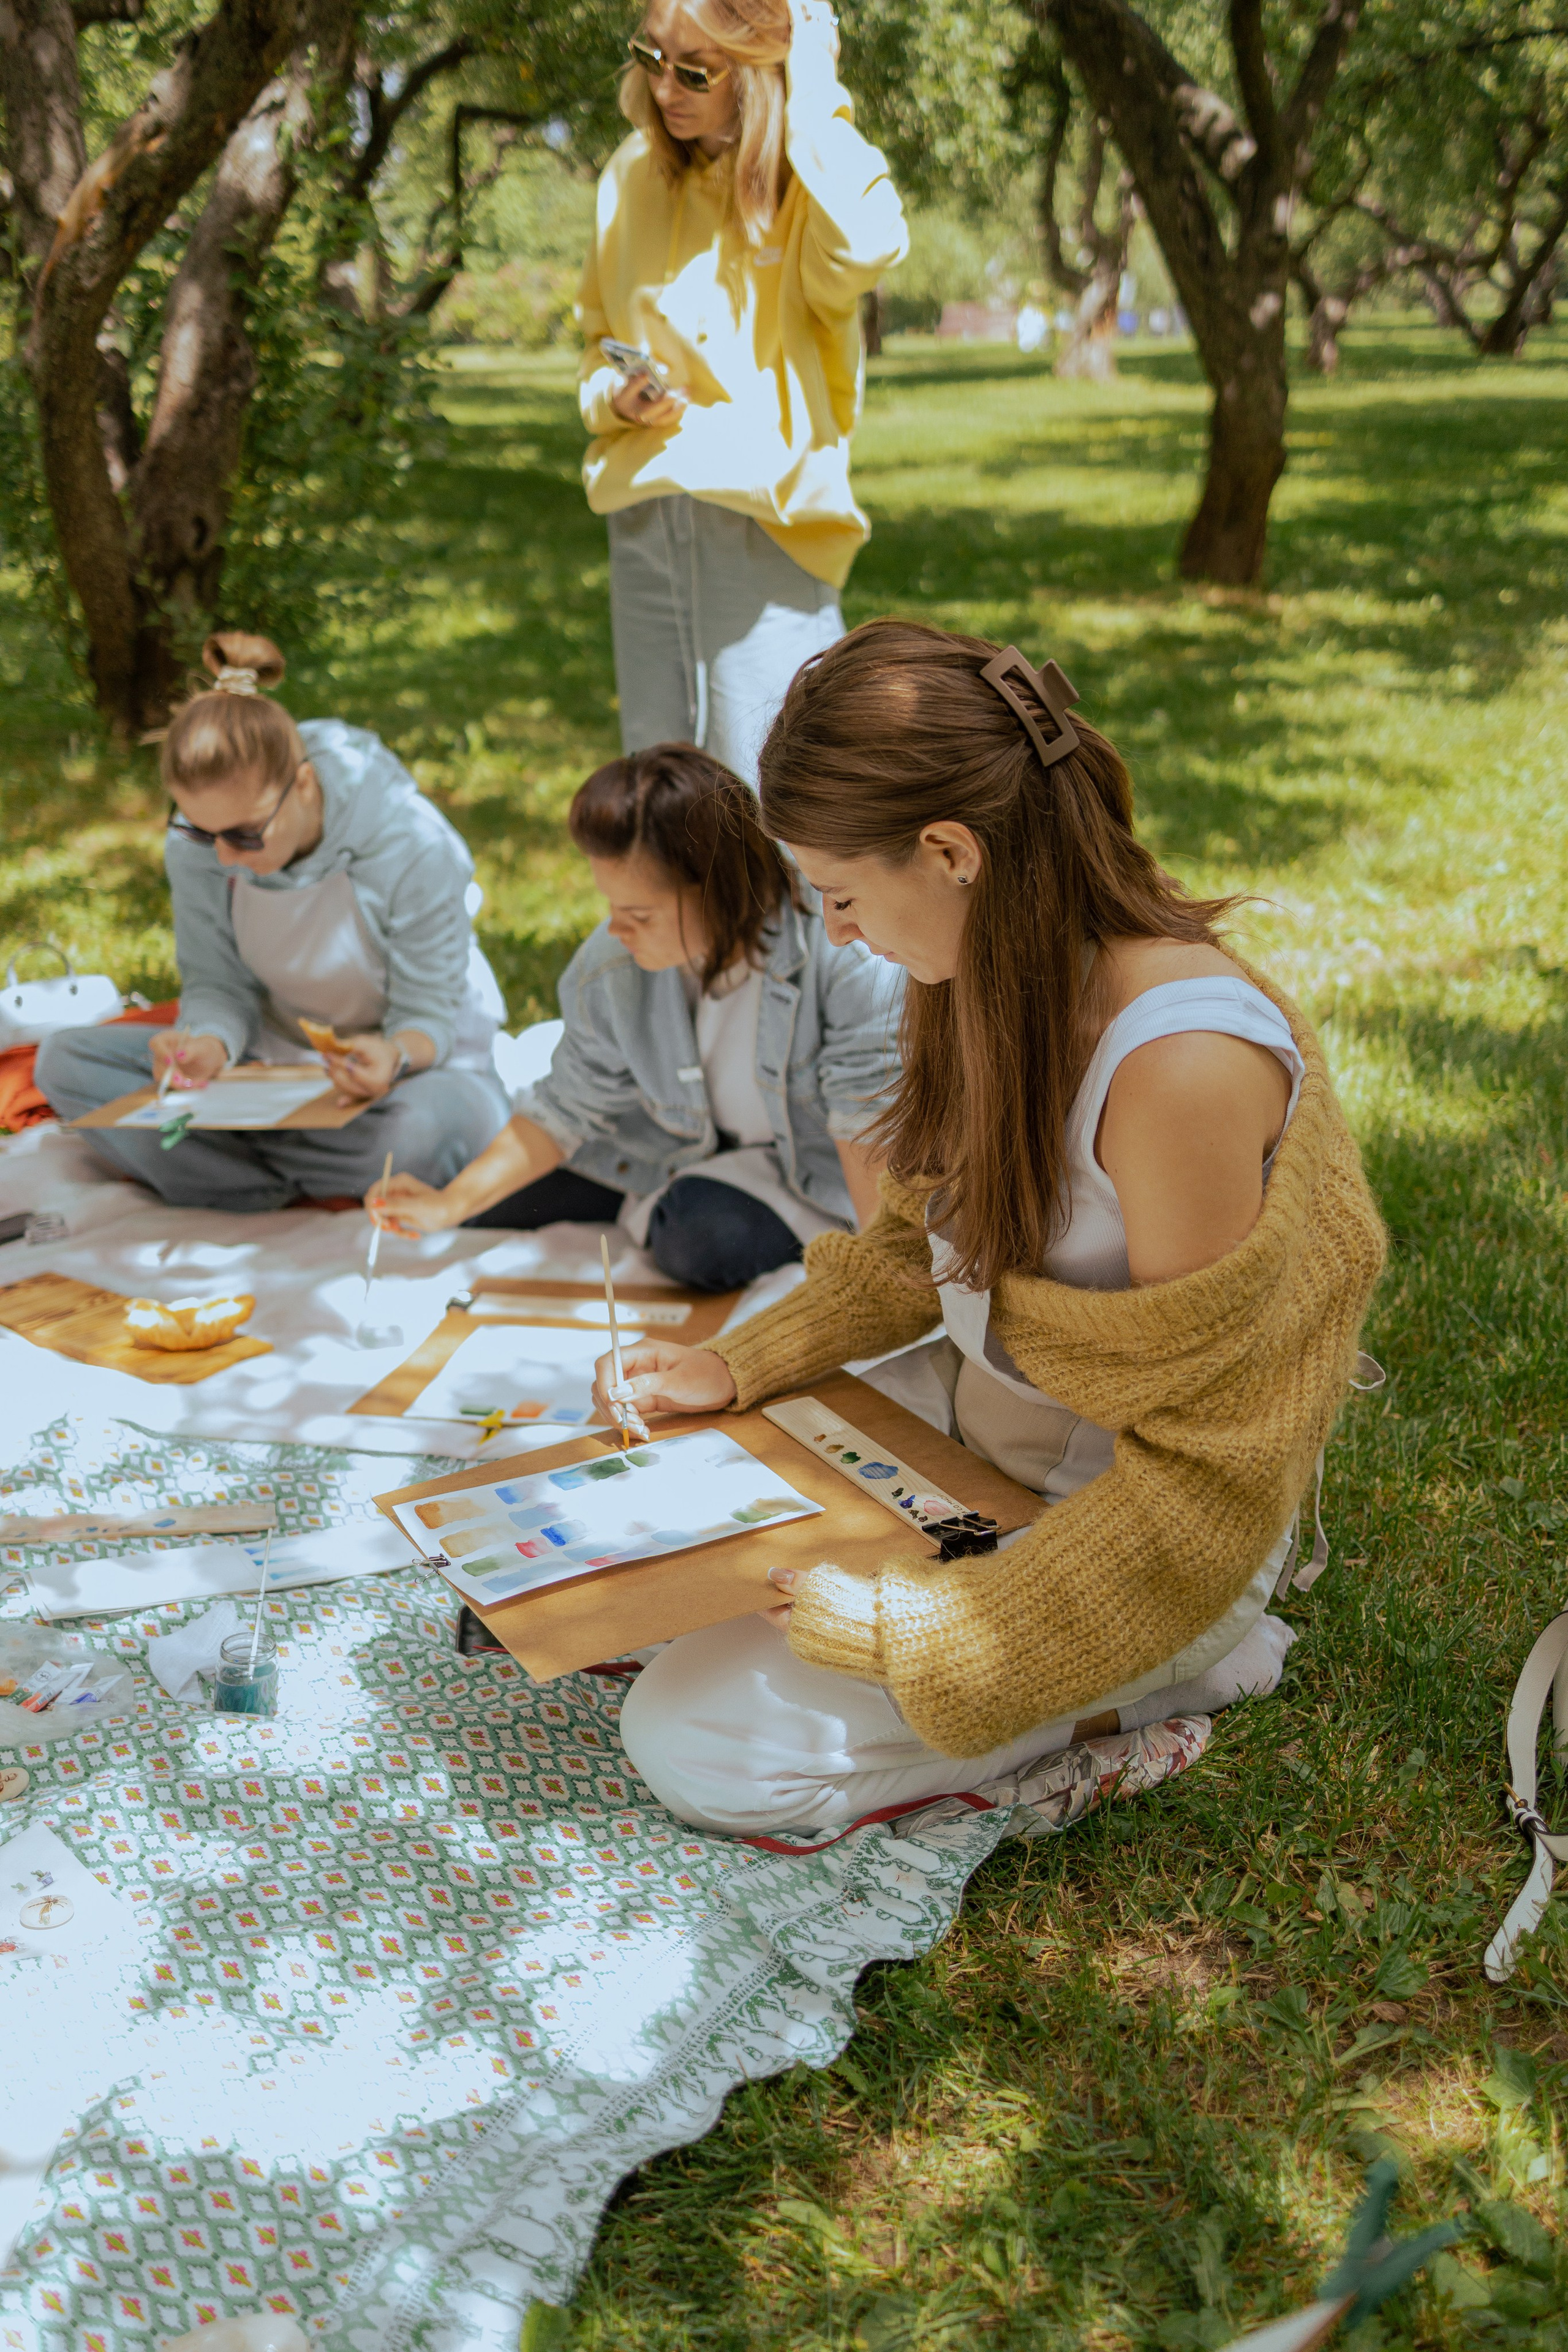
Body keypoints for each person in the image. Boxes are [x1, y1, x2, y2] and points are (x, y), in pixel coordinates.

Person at [591, 622, 1387, 1835]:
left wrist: (931, 1639)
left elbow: (1198, 1480)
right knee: (640, 1544)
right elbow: (917, 1249)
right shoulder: (980, 969)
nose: (838, 931)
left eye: (844, 895)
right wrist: (729, 1364)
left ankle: (1173, 1684)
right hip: (976, 1433)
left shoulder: (1178, 1069)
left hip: (1135, 1537)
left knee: (693, 1740)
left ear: (950, 850)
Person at [369, 743, 902, 1292]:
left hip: (803, 1173)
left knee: (700, 1240)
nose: (616, 931)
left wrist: (884, 1275)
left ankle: (662, 1208)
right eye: (611, 908)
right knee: (494, 1213)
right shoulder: (611, 966)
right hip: (664, 1146)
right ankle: (651, 1199)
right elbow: (568, 1106)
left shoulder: (840, 953)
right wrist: (449, 1203)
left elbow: (866, 1123)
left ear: (719, 888)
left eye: (639, 914)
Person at [37, 632, 510, 1213]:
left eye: (245, 834)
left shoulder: (413, 843)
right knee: (65, 1063)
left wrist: (391, 1058)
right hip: (274, 1069)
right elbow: (216, 984)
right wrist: (207, 1045)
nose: (226, 857)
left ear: (304, 784)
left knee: (415, 1133)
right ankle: (281, 1174)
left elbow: (428, 1019)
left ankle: (222, 1168)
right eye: (202, 833)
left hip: (412, 1071)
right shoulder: (201, 845)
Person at [578, 0, 907, 784]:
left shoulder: (806, 183)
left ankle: (794, 919)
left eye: (696, 69)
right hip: (644, 513)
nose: (666, 88)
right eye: (651, 57)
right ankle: (671, 918)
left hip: (766, 521)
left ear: (760, 72)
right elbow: (595, 341)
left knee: (779, 799)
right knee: (660, 795)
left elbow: (870, 240)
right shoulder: (628, 173)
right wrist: (613, 400)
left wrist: (814, 78)